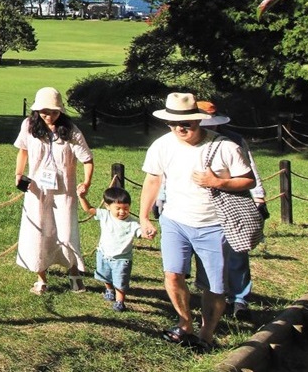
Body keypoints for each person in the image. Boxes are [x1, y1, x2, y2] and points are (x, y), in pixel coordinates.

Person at [139, 92, 255, 352]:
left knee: (214, 286)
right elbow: (153, 181)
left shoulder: (225, 146)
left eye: (186, 123)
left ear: (199, 121)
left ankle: (206, 334)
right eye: (173, 123)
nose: (179, 128)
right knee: (172, 275)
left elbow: (249, 180)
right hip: (175, 220)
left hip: (214, 224)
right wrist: (144, 217)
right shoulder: (162, 145)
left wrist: (219, 182)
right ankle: (185, 323)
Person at [14, 86, 94, 294]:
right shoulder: (29, 126)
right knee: (39, 230)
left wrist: (86, 183)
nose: (49, 116)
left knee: (66, 231)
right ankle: (41, 278)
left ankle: (74, 272)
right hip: (37, 189)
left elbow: (87, 158)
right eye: (44, 111)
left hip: (64, 190)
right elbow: (23, 151)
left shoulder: (71, 131)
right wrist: (18, 175)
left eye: (54, 112)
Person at [192, 100, 266, 320]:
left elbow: (250, 170)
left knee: (237, 252)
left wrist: (259, 197)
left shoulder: (234, 140)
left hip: (233, 203)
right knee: (208, 255)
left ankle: (240, 299)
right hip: (200, 207)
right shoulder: (186, 140)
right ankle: (214, 296)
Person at [77, 185, 141, 312]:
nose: (122, 212)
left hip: (122, 259)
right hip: (103, 254)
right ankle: (109, 289)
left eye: (126, 208)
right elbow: (89, 209)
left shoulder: (132, 222)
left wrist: (147, 233)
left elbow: (140, 231)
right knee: (105, 276)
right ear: (107, 206)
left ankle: (120, 302)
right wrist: (82, 197)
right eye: (118, 208)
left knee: (120, 281)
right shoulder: (105, 215)